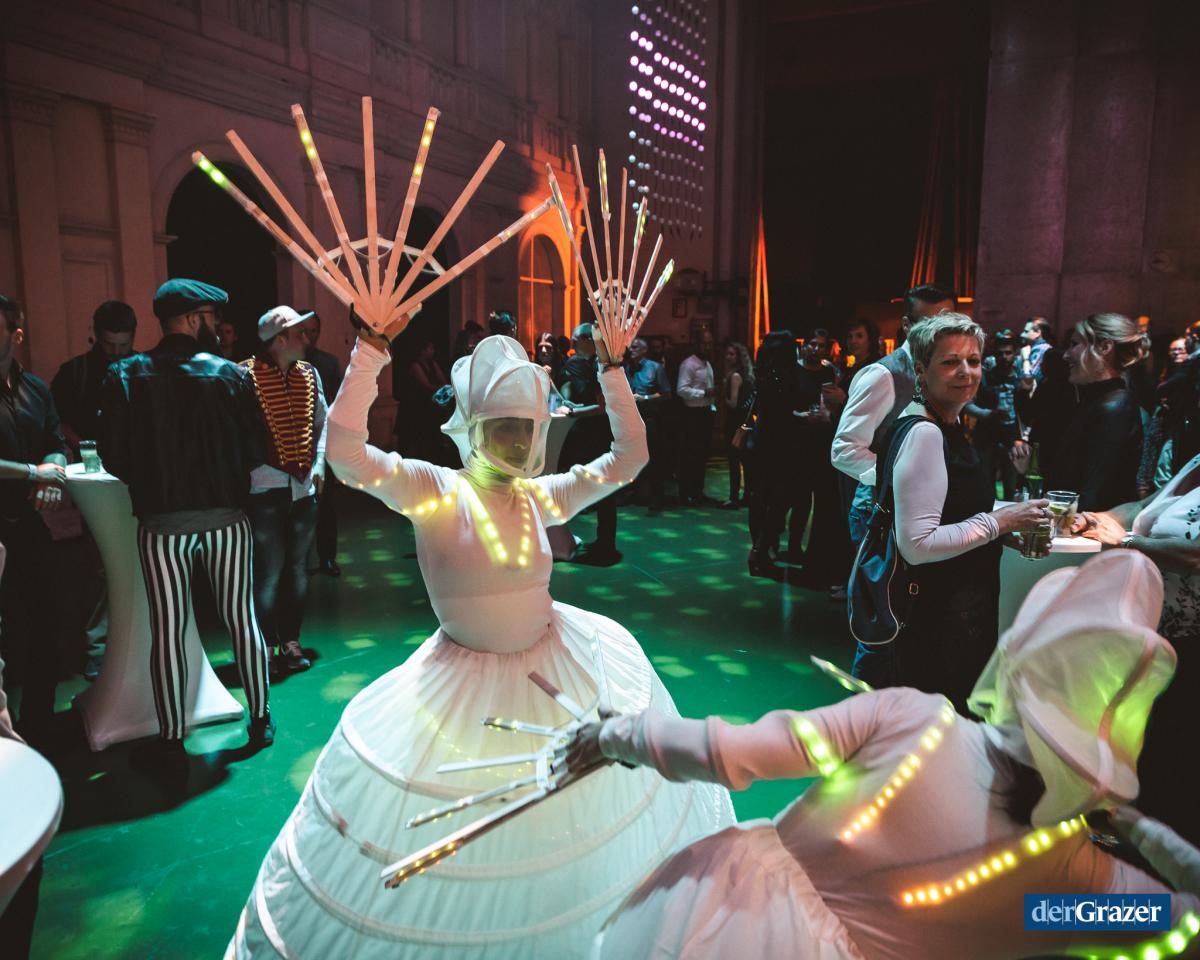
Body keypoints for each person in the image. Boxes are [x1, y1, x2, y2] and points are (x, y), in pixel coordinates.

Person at [225, 324, 733, 959]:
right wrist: (370, 351)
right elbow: (348, 454)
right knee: (474, 814)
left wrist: (612, 371)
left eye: (527, 428)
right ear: (472, 430)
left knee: (557, 811)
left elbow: (628, 459)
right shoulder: (436, 491)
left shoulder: (537, 498)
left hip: (555, 672)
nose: (519, 441)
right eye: (503, 428)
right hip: (462, 689)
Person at [565, 551, 1200, 960]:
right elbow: (1186, 925)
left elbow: (735, 754)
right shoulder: (1073, 876)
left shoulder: (913, 719)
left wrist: (619, 736)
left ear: (1020, 657)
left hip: (730, 924)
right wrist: (1157, 841)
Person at [98, 279, 274, 784]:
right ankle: (261, 719)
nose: (216, 326)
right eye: (210, 317)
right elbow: (257, 447)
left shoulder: (127, 374)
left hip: (162, 524)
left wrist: (150, 481)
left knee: (169, 630)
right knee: (242, 618)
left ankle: (172, 740)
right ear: (195, 319)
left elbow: (113, 454)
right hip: (226, 519)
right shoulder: (230, 375)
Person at [856, 314, 1048, 708]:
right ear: (921, 371)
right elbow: (917, 545)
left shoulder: (943, 424)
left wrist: (1002, 533)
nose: (966, 372)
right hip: (937, 621)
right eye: (950, 362)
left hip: (951, 611)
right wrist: (999, 521)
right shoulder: (926, 433)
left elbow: (946, 515)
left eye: (973, 361)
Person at [1071, 453, 1200, 842]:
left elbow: (1194, 554)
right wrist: (1097, 519)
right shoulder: (1196, 461)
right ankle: (1128, 832)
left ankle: (1158, 853)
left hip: (1191, 640)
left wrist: (1126, 541)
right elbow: (1144, 509)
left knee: (1172, 749)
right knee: (1135, 735)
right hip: (1152, 629)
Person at [832, 283, 957, 544]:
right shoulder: (884, 375)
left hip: (926, 509)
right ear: (907, 325)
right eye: (928, 323)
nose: (940, 332)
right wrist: (901, 479)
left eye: (947, 323)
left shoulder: (943, 371)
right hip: (881, 511)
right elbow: (844, 450)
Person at [242, 306, 327, 675]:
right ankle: (262, 645)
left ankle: (290, 640)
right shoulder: (244, 376)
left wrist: (320, 462)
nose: (305, 339)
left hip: (304, 490)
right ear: (279, 341)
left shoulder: (310, 373)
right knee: (269, 572)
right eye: (297, 333)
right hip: (265, 489)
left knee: (296, 570)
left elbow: (323, 421)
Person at [0, 296, 69, 743]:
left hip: (26, 523)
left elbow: (55, 442)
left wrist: (53, 474)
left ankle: (38, 726)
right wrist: (34, 473)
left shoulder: (35, 389)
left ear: (16, 335)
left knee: (48, 621)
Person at [1038, 313, 1147, 512]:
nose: (1066, 355)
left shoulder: (1113, 408)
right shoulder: (1097, 401)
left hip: (1087, 527)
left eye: (1074, 344)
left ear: (1104, 348)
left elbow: (1095, 494)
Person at [787, 329, 846, 594]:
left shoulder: (829, 371)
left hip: (823, 440)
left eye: (821, 345)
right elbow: (785, 405)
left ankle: (813, 551)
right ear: (805, 345)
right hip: (799, 440)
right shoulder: (794, 371)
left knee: (821, 499)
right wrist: (801, 416)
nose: (816, 349)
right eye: (812, 344)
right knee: (799, 498)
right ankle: (793, 546)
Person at [560, 323, 623, 565]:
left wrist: (576, 412)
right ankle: (602, 541)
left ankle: (606, 543)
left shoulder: (599, 365)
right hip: (587, 435)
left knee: (604, 491)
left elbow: (602, 406)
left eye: (577, 340)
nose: (574, 344)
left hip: (598, 435)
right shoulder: (582, 364)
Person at [746, 331, 801, 579]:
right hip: (784, 443)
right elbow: (789, 411)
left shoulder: (761, 375)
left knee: (759, 498)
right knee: (780, 498)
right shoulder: (787, 376)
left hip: (761, 441)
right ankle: (760, 550)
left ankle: (760, 548)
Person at [50, 299, 137, 451]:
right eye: (109, 344)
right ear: (96, 334)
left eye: (124, 345)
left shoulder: (144, 369)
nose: (116, 351)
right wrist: (89, 450)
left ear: (133, 337)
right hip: (89, 461)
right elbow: (57, 421)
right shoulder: (73, 372)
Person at [299, 311, 344, 577]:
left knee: (325, 504)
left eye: (313, 330)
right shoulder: (291, 362)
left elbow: (336, 406)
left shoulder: (327, 363)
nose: (309, 336)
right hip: (296, 443)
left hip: (322, 443)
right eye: (304, 330)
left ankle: (327, 557)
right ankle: (302, 560)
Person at [972, 330, 1024, 499]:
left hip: (1012, 438)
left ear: (1015, 354)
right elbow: (967, 404)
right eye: (1000, 353)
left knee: (1011, 486)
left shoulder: (1021, 378)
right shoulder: (985, 377)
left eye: (1008, 353)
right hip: (987, 436)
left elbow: (1027, 411)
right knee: (986, 485)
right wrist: (988, 414)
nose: (1004, 357)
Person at [624, 336, 672, 513]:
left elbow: (667, 394)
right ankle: (634, 493)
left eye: (635, 347)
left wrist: (645, 398)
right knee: (631, 457)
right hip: (629, 419)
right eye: (630, 347)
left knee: (654, 458)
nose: (631, 350)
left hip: (650, 419)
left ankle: (657, 498)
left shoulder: (655, 367)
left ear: (644, 350)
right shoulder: (625, 367)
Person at [676, 328, 716, 506]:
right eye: (704, 343)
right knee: (690, 455)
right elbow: (681, 390)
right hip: (692, 415)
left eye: (710, 344)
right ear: (696, 344)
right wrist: (704, 393)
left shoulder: (707, 364)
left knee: (702, 455)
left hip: (705, 413)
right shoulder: (689, 364)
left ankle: (697, 492)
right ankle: (686, 493)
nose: (707, 347)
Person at [720, 341, 753, 509]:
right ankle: (747, 496)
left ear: (738, 357)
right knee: (746, 462)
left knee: (734, 461)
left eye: (732, 354)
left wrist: (721, 396)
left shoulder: (734, 376)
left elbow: (733, 403)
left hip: (735, 423)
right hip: (746, 422)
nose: (728, 357)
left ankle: (733, 497)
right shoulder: (746, 375)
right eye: (727, 353)